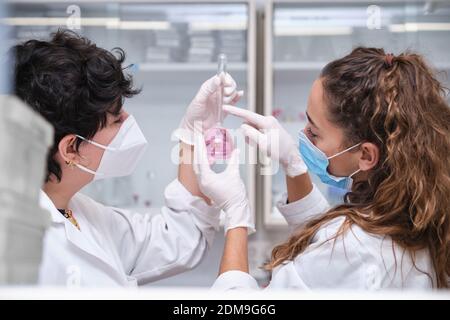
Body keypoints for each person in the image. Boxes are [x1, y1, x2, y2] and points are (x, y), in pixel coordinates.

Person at [193, 47, 450, 290]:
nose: (303, 135)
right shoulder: (420, 210)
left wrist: (236, 215)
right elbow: (327, 234)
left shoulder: (352, 250)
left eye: (314, 133)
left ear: (366, 155)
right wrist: (292, 164)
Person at [12, 29, 251, 286]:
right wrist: (237, 216)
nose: (128, 122)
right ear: (71, 149)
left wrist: (192, 135)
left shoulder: (80, 213)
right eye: (116, 120)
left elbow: (179, 239)